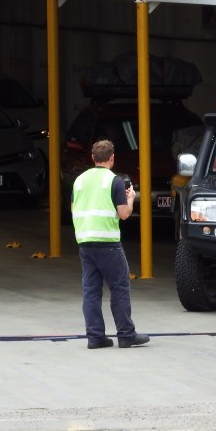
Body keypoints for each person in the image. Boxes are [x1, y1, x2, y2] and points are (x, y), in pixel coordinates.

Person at [71, 139, 149, 349]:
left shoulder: (79, 181)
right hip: (108, 243)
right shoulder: (114, 181)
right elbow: (124, 214)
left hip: (85, 242)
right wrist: (131, 198)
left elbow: (74, 208)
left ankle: (95, 337)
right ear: (112, 158)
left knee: (91, 291)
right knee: (120, 288)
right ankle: (126, 335)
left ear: (93, 158)